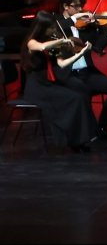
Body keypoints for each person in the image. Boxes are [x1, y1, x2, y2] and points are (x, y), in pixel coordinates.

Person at [28, 0, 107, 144]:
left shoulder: (85, 26)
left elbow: (98, 47)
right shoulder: (56, 24)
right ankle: (87, 133)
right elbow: (58, 28)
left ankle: (102, 127)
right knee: (81, 92)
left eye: (81, 6)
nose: (81, 10)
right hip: (67, 74)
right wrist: (73, 20)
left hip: (87, 72)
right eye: (77, 6)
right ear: (66, 6)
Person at [22, 8, 99, 151]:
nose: (53, 30)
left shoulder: (52, 42)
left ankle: (80, 140)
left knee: (80, 96)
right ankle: (72, 140)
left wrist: (81, 53)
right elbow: (42, 46)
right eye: (50, 28)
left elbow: (62, 64)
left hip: (48, 84)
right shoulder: (32, 42)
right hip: (37, 87)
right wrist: (62, 41)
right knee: (73, 99)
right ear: (41, 28)